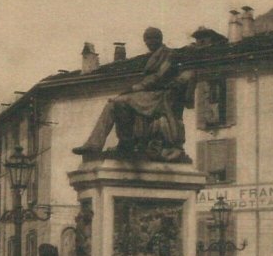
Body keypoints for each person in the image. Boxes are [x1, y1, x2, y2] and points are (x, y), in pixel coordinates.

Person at [72, 27, 192, 160]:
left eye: (150, 40)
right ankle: (96, 144)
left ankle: (123, 143)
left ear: (158, 39)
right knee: (113, 104)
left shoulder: (169, 54)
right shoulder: (152, 56)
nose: (148, 43)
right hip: (148, 95)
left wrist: (136, 87)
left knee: (120, 101)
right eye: (146, 40)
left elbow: (159, 77)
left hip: (160, 96)